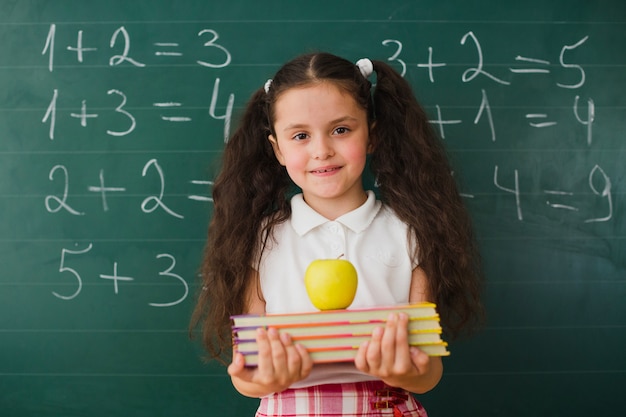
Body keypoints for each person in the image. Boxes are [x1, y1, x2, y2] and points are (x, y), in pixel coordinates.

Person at [190, 52, 483, 416]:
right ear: (277, 149)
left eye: (341, 130)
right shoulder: (258, 241)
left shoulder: (411, 233)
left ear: (372, 135)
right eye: (300, 136)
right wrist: (268, 377)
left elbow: (429, 372)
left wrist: (409, 371)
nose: (322, 150)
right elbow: (246, 377)